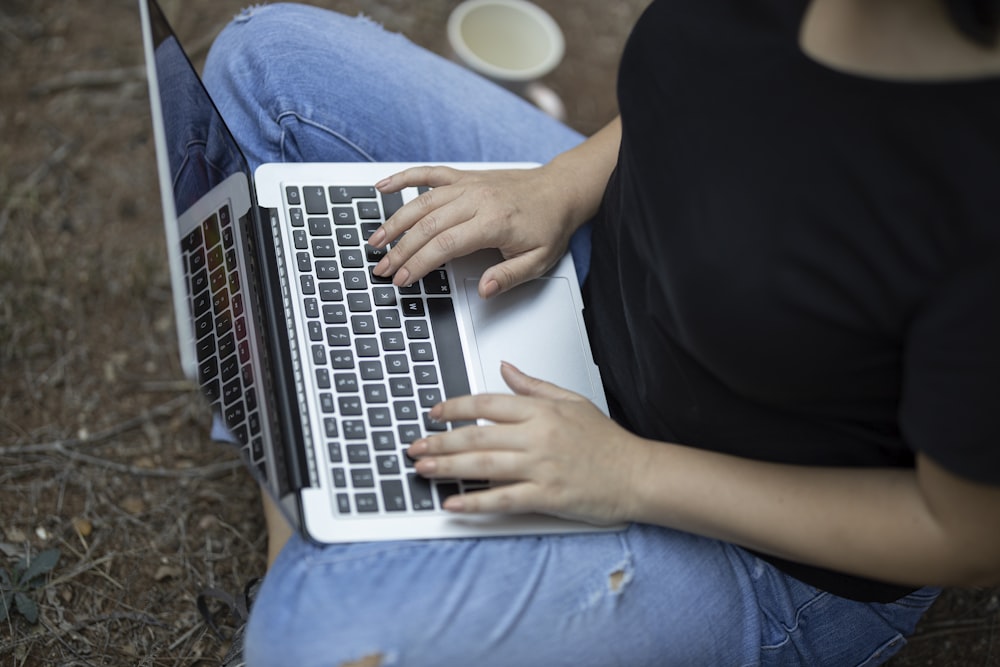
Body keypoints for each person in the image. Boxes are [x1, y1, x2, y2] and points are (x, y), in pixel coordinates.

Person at [200, 0, 1000, 664]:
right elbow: (708, 91)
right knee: (270, 65)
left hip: (761, 546)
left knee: (306, 636)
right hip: (601, 267)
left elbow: (967, 535)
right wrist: (560, 184)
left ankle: (321, 512)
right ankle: (323, 492)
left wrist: (629, 474)